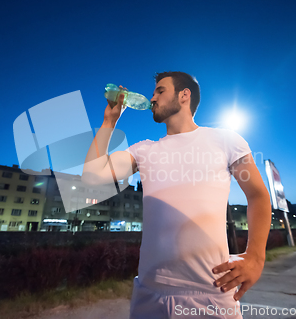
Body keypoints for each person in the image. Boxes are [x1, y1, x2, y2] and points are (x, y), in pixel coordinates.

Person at [82, 71, 271, 318]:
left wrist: (256, 258)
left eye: (160, 91)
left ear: (184, 95)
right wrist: (109, 121)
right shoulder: (144, 150)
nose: (152, 98)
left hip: (210, 295)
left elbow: (258, 195)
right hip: (148, 295)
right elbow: (92, 174)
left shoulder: (225, 140)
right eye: (153, 93)